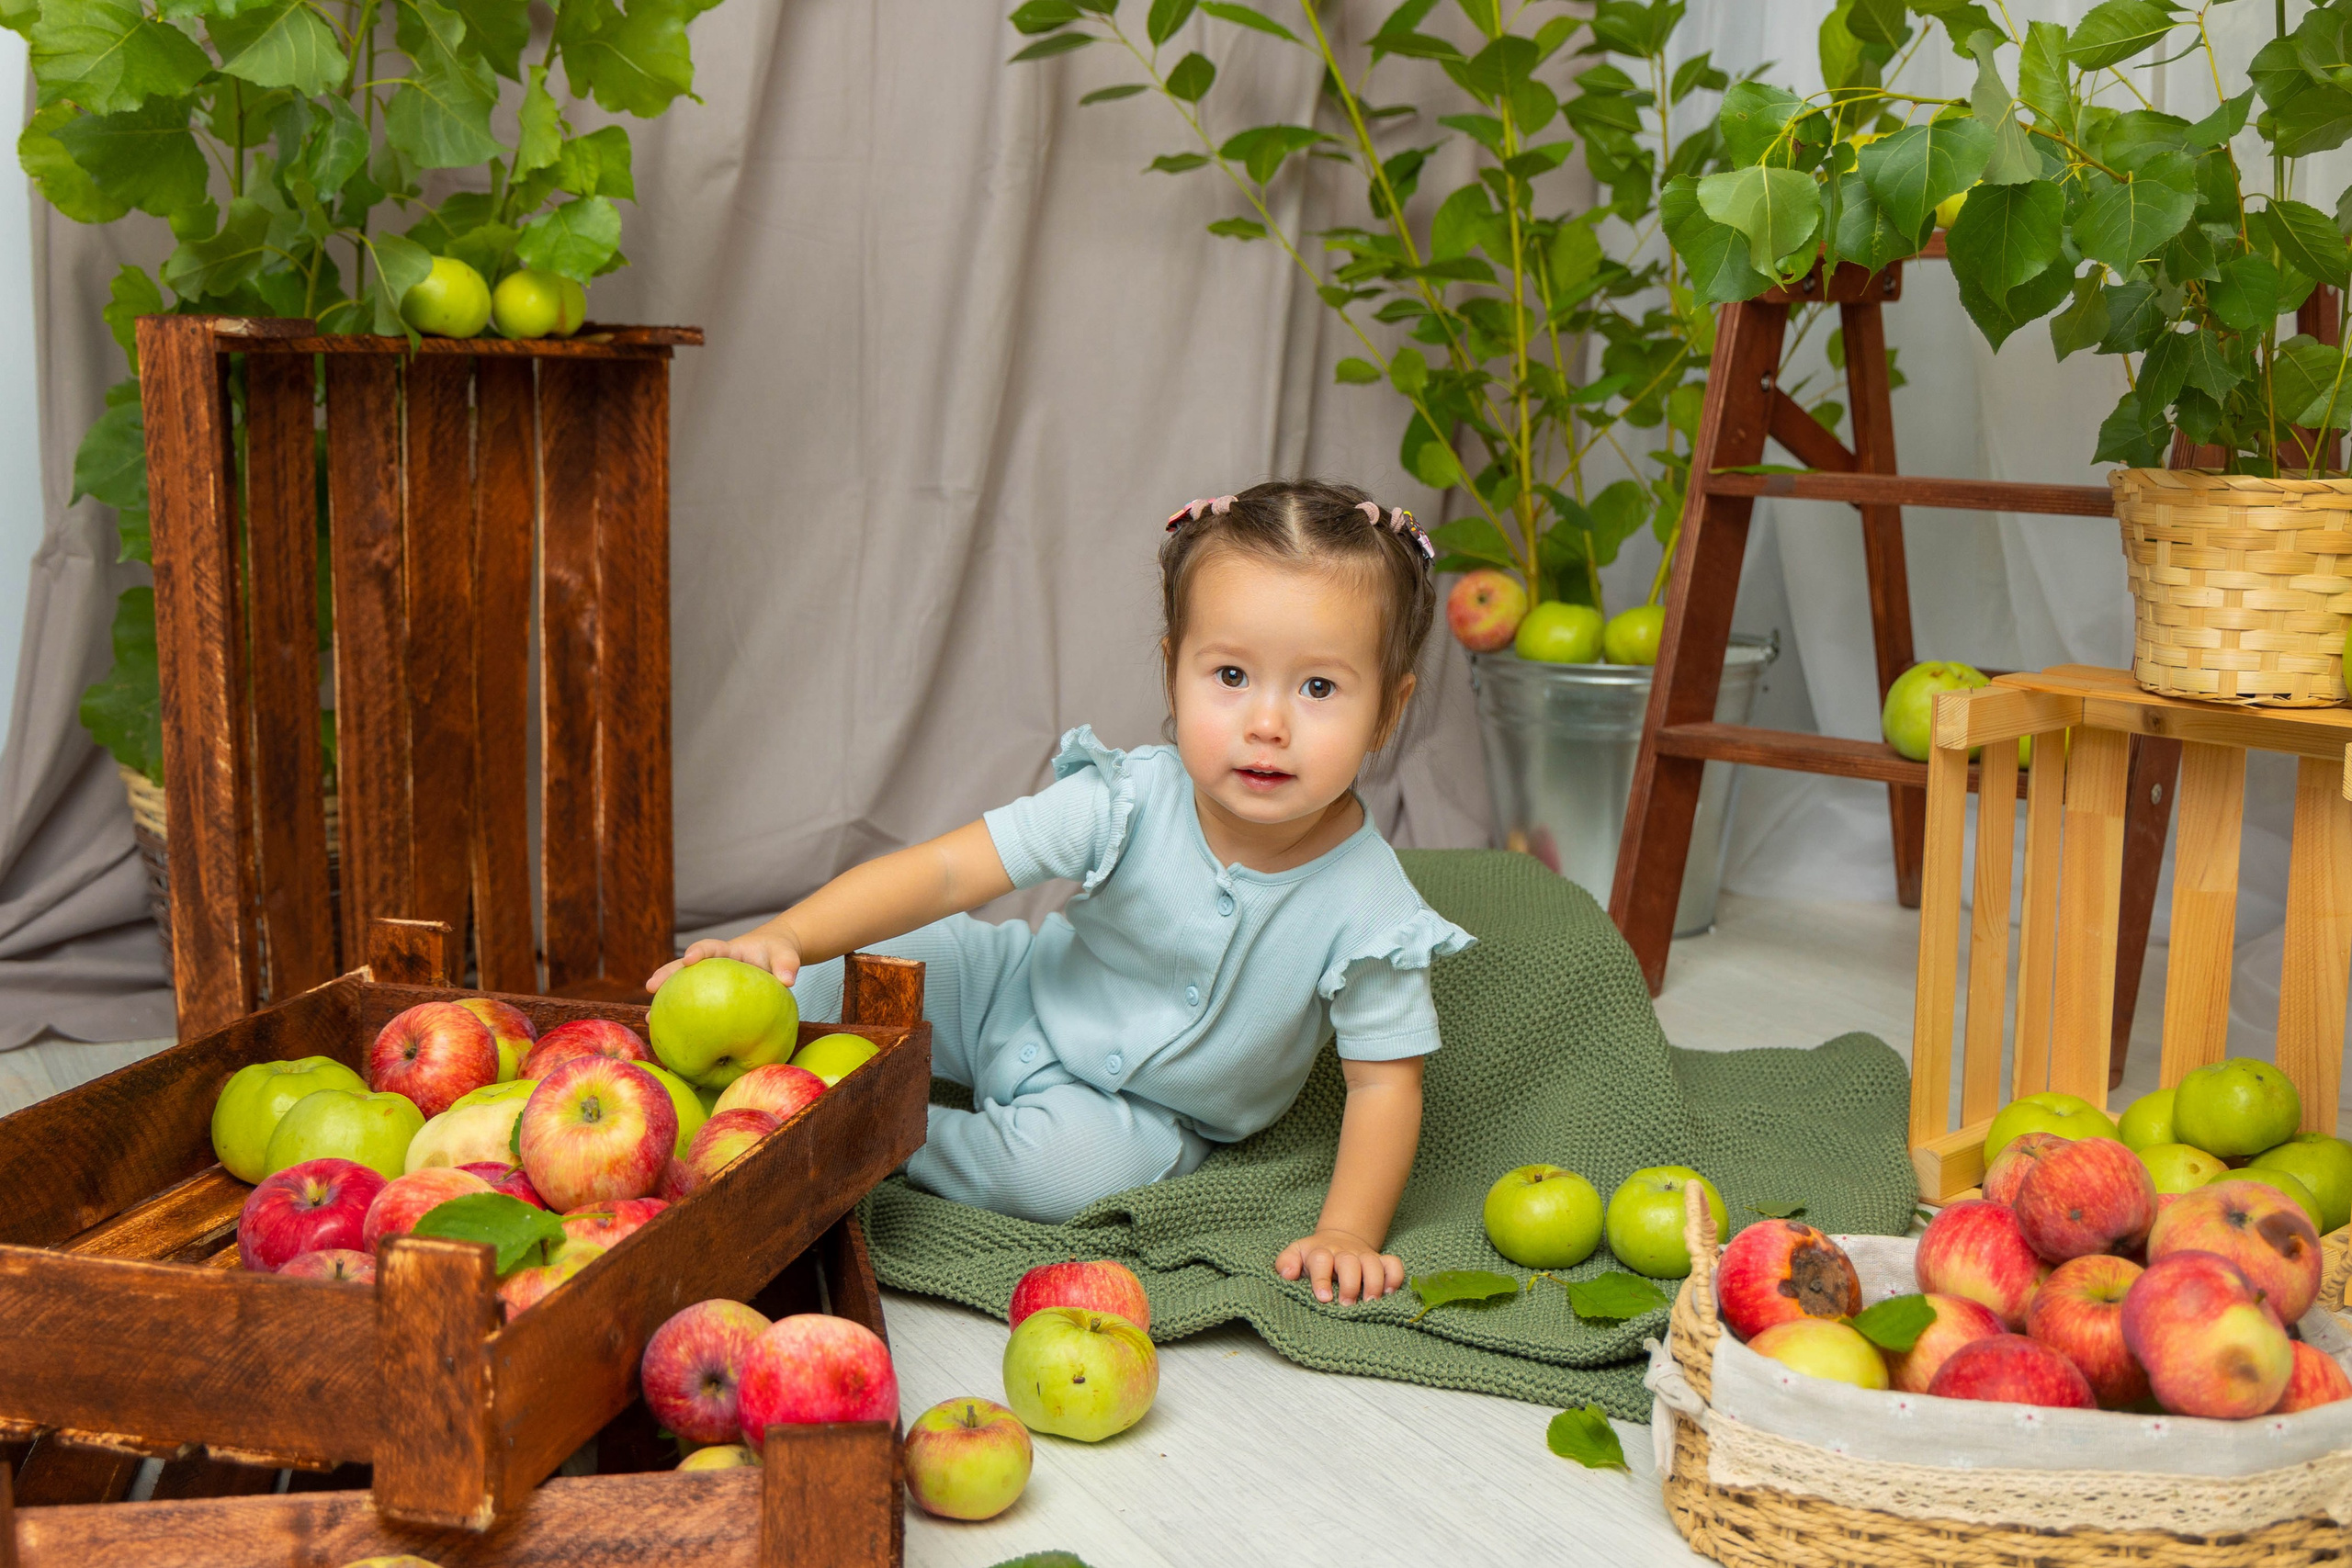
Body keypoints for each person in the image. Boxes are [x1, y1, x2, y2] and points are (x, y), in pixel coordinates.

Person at [647, 479, 1472, 1305]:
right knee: (827, 972)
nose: (1268, 724)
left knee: (1062, 1175)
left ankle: (871, 1131)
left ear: (1388, 711)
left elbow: (1383, 1085)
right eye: (1230, 674)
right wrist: (787, 938)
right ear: (1173, 674)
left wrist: (1348, 1231)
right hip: (1010, 988)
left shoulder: (1374, 912)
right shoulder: (1127, 798)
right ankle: (694, 1074)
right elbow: (944, 871)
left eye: (1318, 688)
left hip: (1140, 1113)